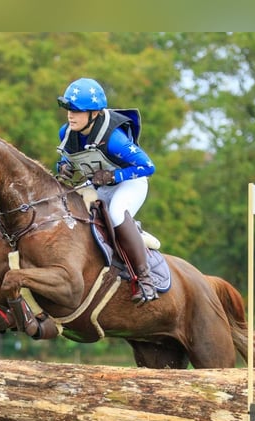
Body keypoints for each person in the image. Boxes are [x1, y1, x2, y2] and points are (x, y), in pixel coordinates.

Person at [55, 77, 158, 304]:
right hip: (98, 185)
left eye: (77, 111)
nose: (71, 115)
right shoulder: (67, 132)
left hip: (130, 182)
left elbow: (148, 167)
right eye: (68, 109)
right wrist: (63, 168)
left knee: (117, 213)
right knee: (67, 207)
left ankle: (145, 279)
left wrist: (114, 176)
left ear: (95, 113)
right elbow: (66, 159)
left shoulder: (114, 139)